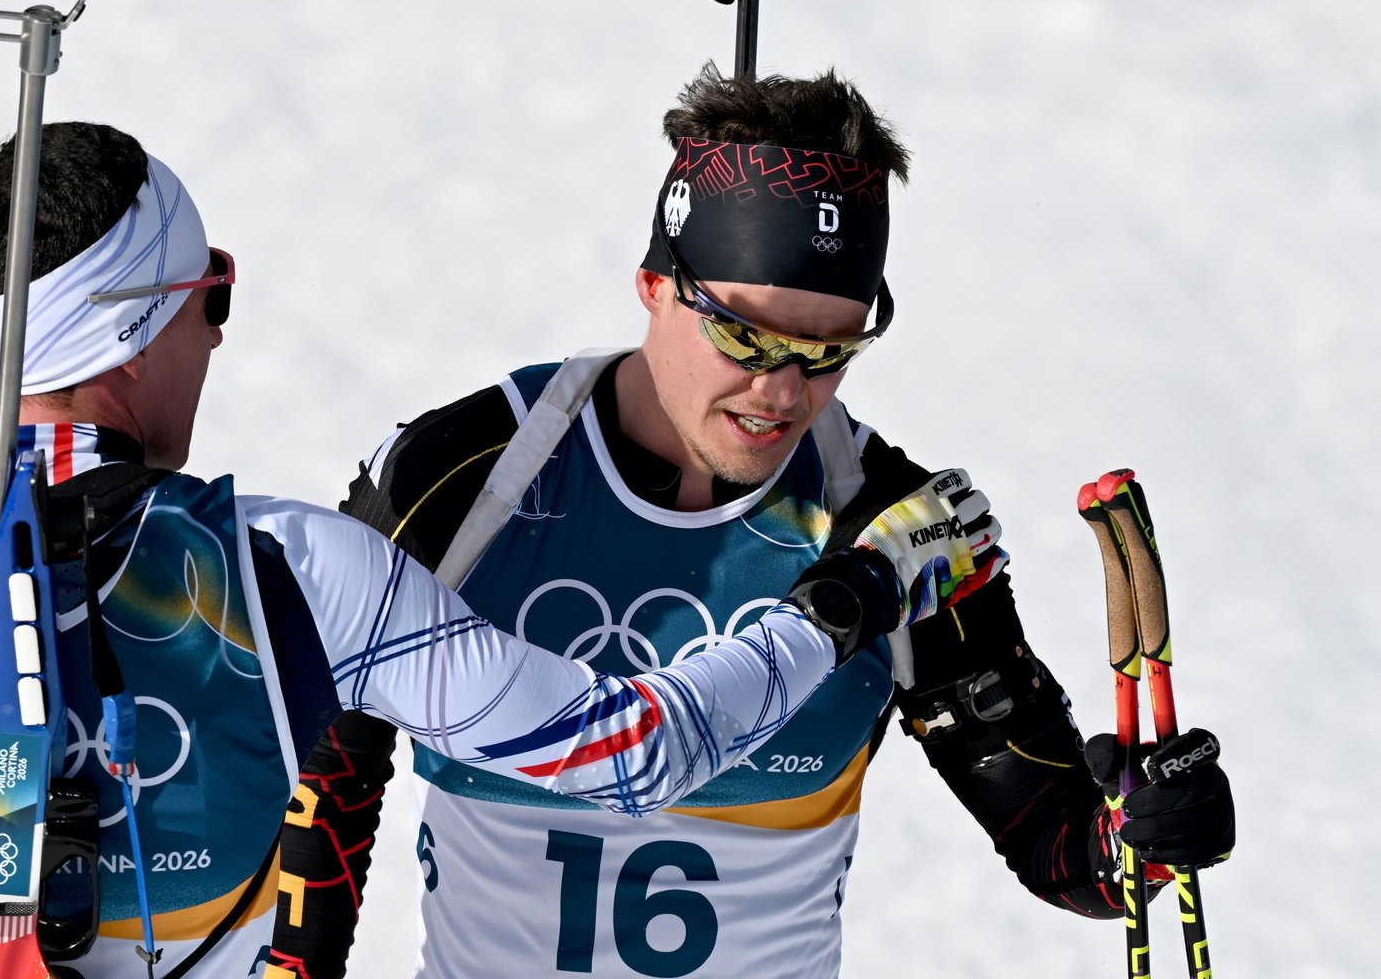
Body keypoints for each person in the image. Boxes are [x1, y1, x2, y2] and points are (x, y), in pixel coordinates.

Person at [0, 121, 996, 979]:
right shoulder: (293, 571)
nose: (218, 340)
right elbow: (634, 748)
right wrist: (856, 593)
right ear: (160, 318)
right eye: (211, 300)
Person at [266, 67, 1239, 979]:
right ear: (654, 285)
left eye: (827, 350)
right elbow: (318, 783)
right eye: (742, 333)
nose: (779, 391)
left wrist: (1145, 835)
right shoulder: (462, 479)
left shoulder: (886, 522)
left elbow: (1055, 841)